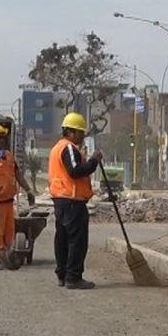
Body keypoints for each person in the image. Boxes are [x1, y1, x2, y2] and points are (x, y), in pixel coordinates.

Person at [48, 112, 103, 289]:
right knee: (77, 241)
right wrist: (94, 161)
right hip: (72, 200)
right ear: (70, 132)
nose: (82, 136)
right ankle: (73, 277)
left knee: (62, 239)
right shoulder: (69, 148)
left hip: (61, 199)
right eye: (80, 132)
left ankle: (62, 275)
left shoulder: (57, 148)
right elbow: (75, 170)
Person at [0, 124, 37, 270]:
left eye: (3, 138)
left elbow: (18, 175)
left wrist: (28, 190)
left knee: (9, 232)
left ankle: (6, 256)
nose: (2, 141)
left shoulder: (9, 156)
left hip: (9, 201)